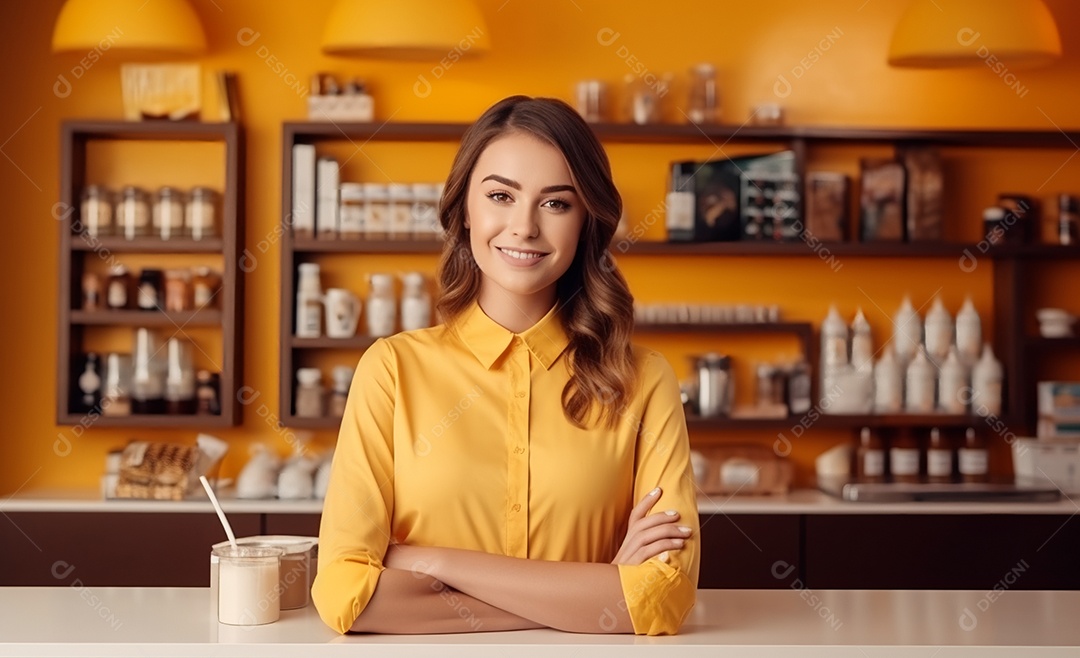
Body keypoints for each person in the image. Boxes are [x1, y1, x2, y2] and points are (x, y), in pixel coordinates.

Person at [312, 95, 700, 636]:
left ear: (587, 221)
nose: (524, 227)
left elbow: (663, 595)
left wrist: (430, 561)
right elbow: (343, 594)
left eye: (557, 203)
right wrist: (597, 588)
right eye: (500, 195)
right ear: (465, 209)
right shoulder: (392, 370)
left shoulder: (643, 379)